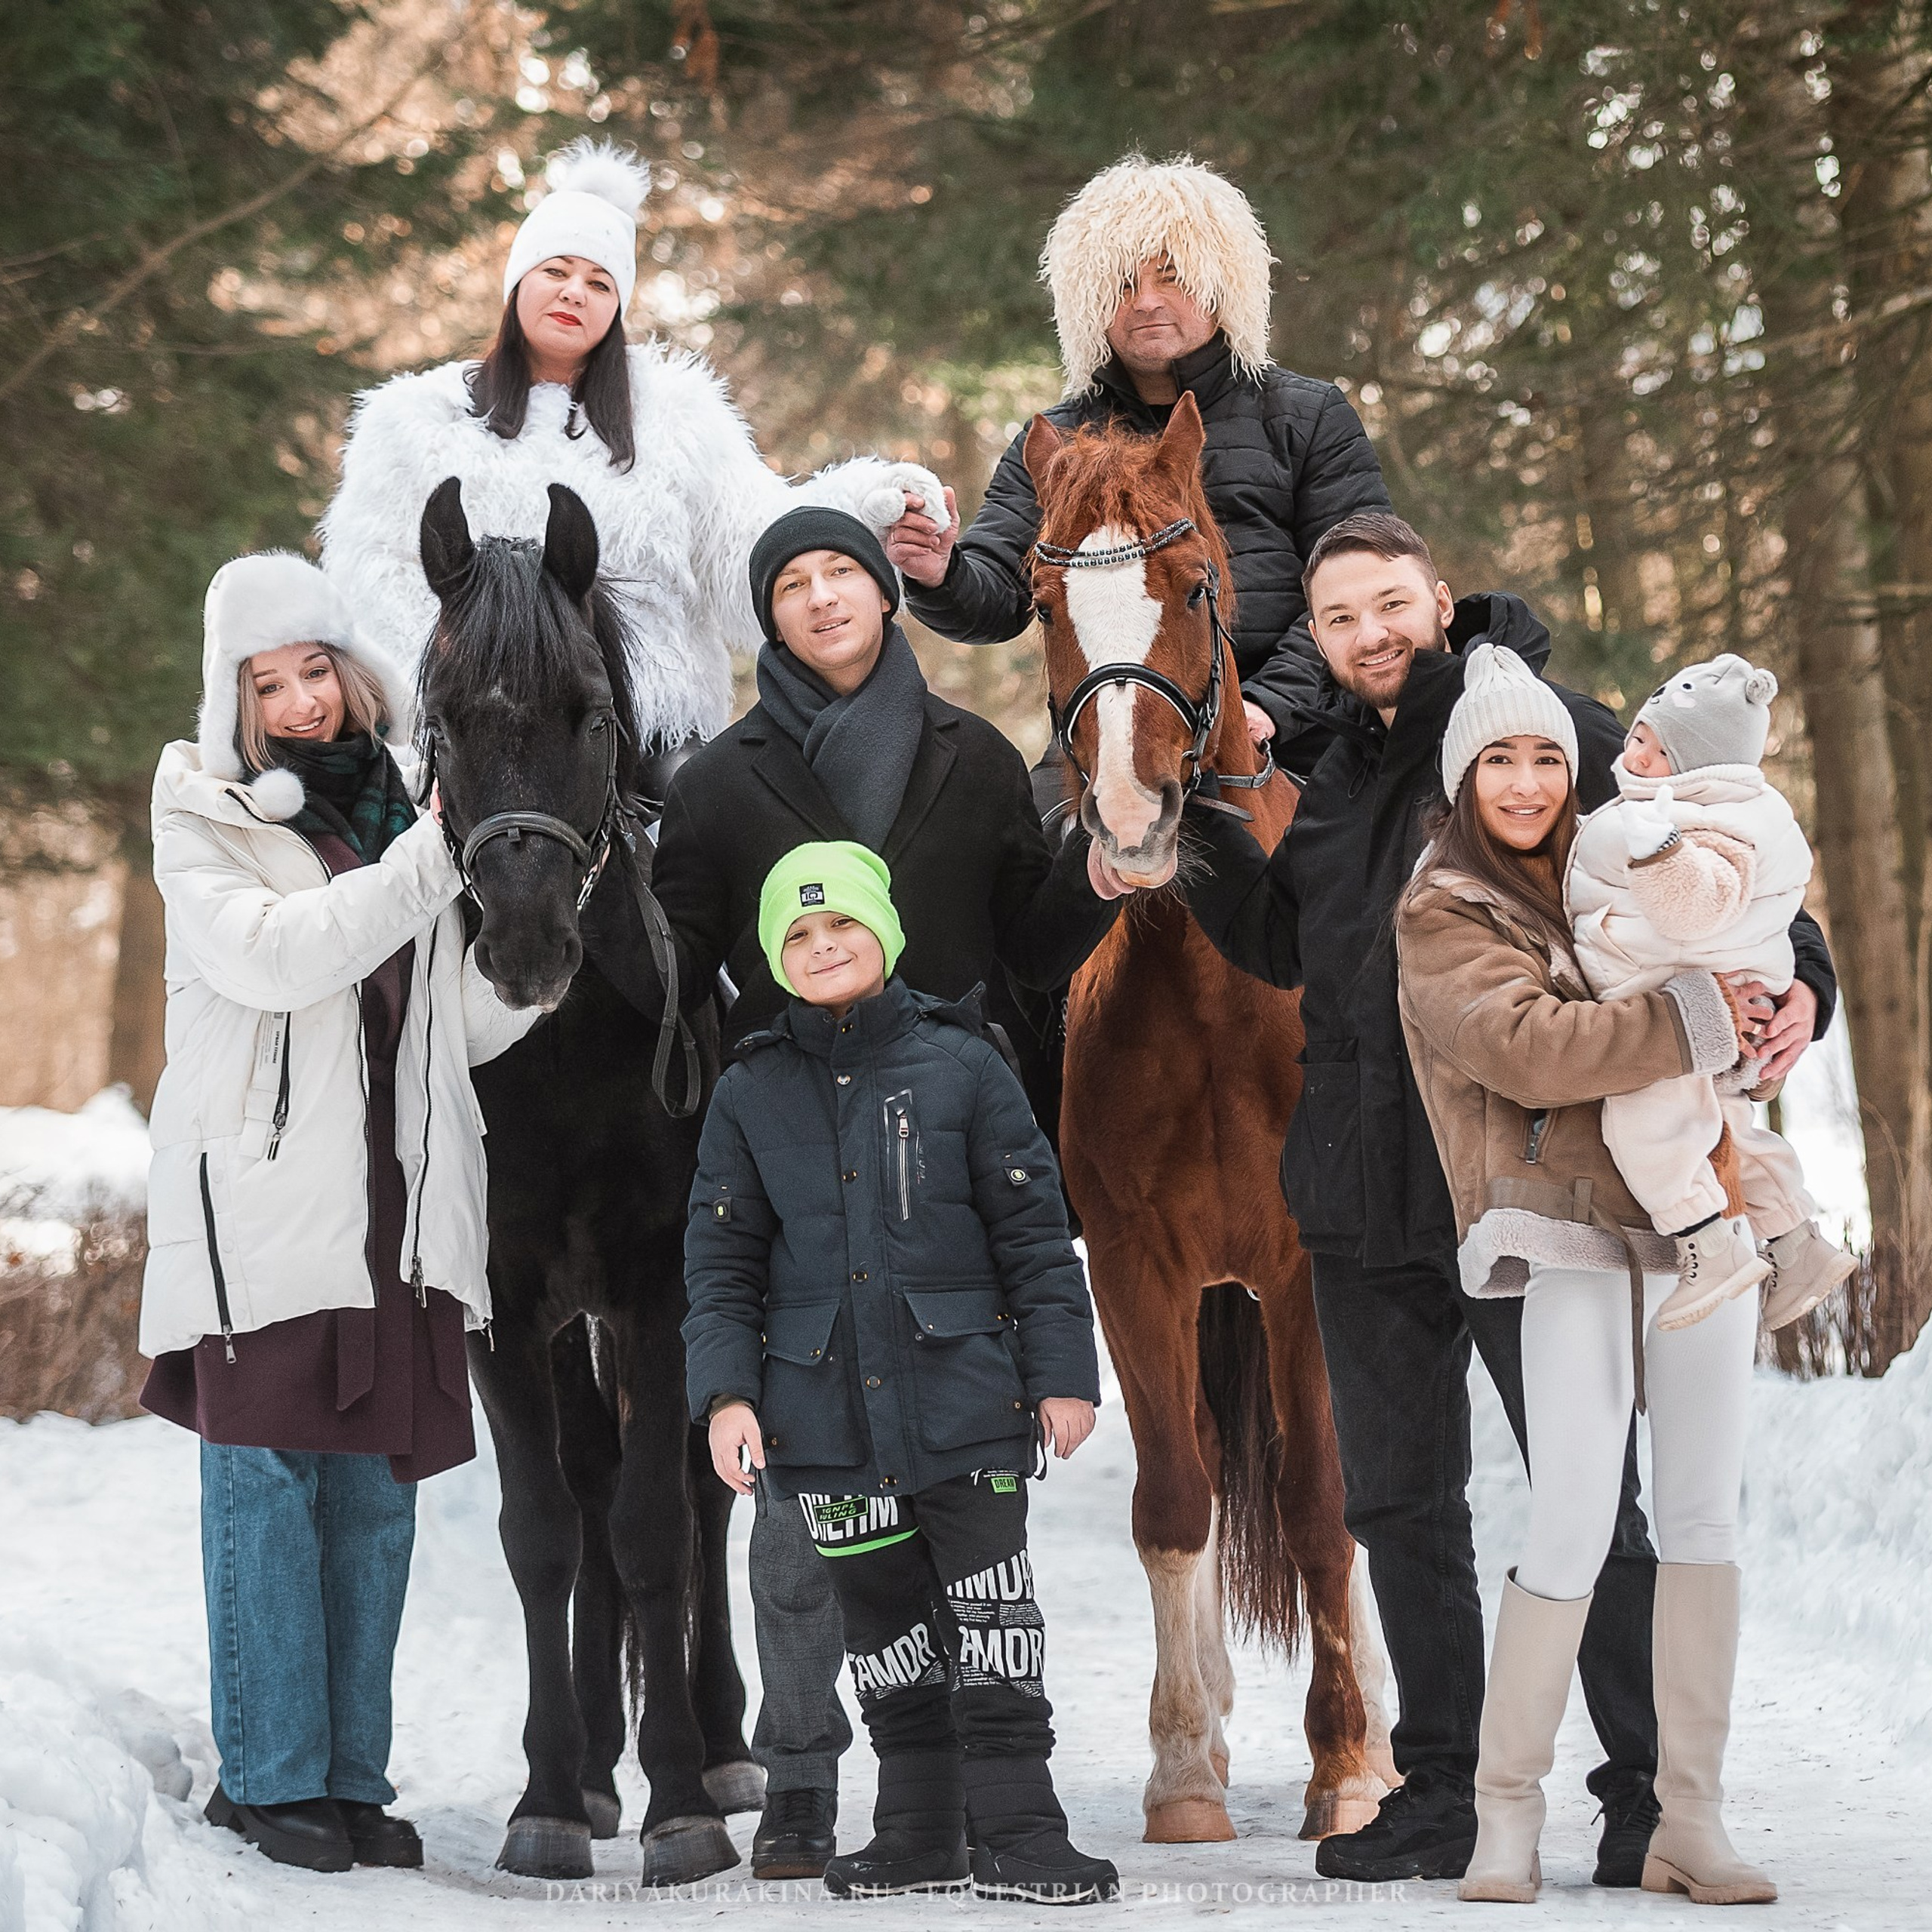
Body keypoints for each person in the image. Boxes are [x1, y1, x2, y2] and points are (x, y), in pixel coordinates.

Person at [1149, 510, 1836, 1885]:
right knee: (1402, 1500)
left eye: (1389, 605)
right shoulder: (1332, 769)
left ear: (1439, 600)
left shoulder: (1548, 732)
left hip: (1539, 1181)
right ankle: (1448, 1789)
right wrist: (1189, 839)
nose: (1368, 634)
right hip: (1359, 1191)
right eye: (1339, 619)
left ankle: (1643, 1793)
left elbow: (1721, 860)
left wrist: (1801, 977)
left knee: (1598, 1499)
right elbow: (1290, 942)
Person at [584, 505, 1118, 1878]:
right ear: (768, 617)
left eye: (845, 576)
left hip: (948, 1144)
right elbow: (666, 971)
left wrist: (1101, 876)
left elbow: (1032, 944)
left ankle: (993, 1813)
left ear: (888, 596)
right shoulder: (722, 784)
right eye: (794, 585)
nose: (822, 600)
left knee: (963, 1538)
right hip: (797, 1158)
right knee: (805, 1528)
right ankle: (811, 1781)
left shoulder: (975, 758)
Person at [139, 554, 538, 1871]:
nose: (303, 700)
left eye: (319, 669)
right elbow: (274, 955)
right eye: (271, 682)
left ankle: (351, 1781)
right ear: (234, 697)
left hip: (397, 1193)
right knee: (264, 1482)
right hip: (261, 1192)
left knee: (373, 1491)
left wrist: (539, 925)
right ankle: (268, 1778)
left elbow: (455, 1025)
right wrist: (436, 859)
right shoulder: (200, 804)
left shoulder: (410, 806)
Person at [1394, 644, 1775, 1905]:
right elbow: (1527, 1048)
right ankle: (1506, 1818)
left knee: (1705, 1515)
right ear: (1463, 777)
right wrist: (1705, 1015)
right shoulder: (1445, 907)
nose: (1524, 780)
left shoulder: (1631, 850)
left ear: (1579, 765)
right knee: (1572, 1513)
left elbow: (1749, 929)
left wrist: (1772, 1012)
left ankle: (1688, 1817)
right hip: (1560, 1225)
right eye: (1497, 758)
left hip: (1696, 1214)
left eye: (1546, 755)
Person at [681, 842, 1115, 1905]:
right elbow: (722, 1260)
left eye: (842, 929)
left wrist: (1063, 1375)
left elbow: (1033, 1235)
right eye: (799, 935)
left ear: (885, 935)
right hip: (822, 1419)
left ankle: (1020, 1829)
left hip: (966, 1399)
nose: (824, 948)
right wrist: (729, 1395)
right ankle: (921, 1827)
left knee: (992, 1614)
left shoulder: (964, 1065)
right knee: (884, 1630)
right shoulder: (750, 1091)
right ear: (778, 960)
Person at [319, 137, 947, 752]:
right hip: (480, 735)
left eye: (600, 283)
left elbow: (755, 545)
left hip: (646, 732)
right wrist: (443, 718)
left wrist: (864, 506)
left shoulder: (676, 416)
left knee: (705, 823)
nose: (574, 292)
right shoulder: (414, 423)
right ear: (517, 285)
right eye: (556, 271)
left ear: (617, 306)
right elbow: (375, 584)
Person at [888, 153, 1391, 763]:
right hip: (1108, 743)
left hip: (1294, 737)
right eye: (1122, 284)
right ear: (1087, 301)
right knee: (1033, 849)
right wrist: (942, 574)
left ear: (1220, 281)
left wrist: (1264, 706)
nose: (1147, 301)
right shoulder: (1057, 439)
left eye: (1172, 276)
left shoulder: (1307, 415)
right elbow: (998, 598)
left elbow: (1361, 587)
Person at [1565, 654, 1857, 1329]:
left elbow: (1698, 906)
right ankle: (1794, 1240)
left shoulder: (1694, 823)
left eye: (1651, 746)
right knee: (1729, 1131)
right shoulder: (1702, 806)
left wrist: (1659, 852)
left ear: (1694, 765)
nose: (1631, 752)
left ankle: (1706, 1243)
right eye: (1636, 735)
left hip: (1682, 1010)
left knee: (1645, 1127)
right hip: (1704, 1010)